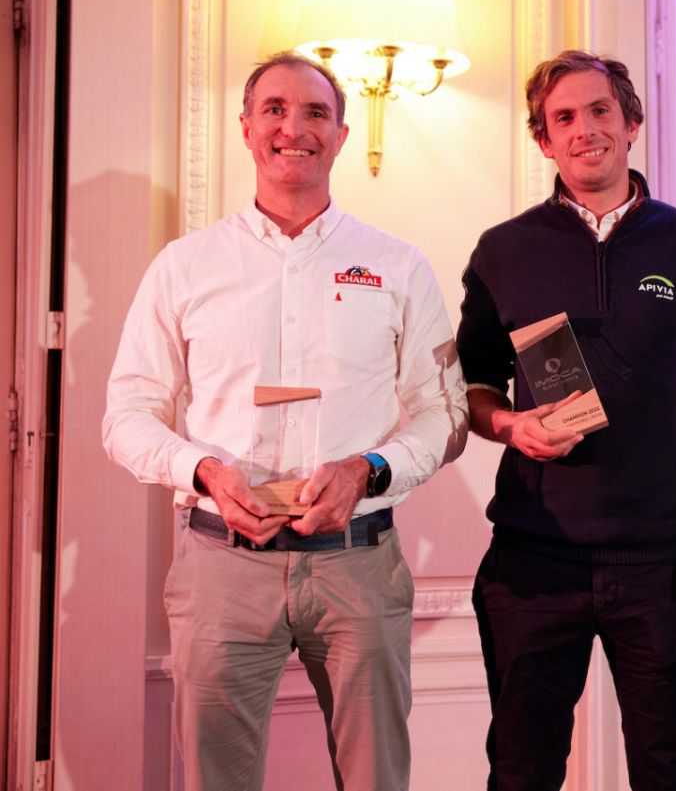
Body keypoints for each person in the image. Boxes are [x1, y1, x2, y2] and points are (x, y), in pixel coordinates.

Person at [102, 52, 468, 791]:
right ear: (245, 127)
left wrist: (369, 469)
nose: (293, 128)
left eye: (314, 113)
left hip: (360, 564)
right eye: (274, 109)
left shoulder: (397, 265)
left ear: (341, 135)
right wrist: (204, 470)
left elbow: (447, 412)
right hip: (221, 568)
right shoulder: (185, 265)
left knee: (376, 779)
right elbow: (127, 415)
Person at [456, 50, 676, 791]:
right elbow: (471, 386)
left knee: (671, 772)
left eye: (600, 111)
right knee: (522, 771)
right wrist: (511, 426)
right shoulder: (504, 249)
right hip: (534, 559)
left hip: (660, 563)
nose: (585, 130)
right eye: (564, 118)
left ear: (631, 122)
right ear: (544, 140)